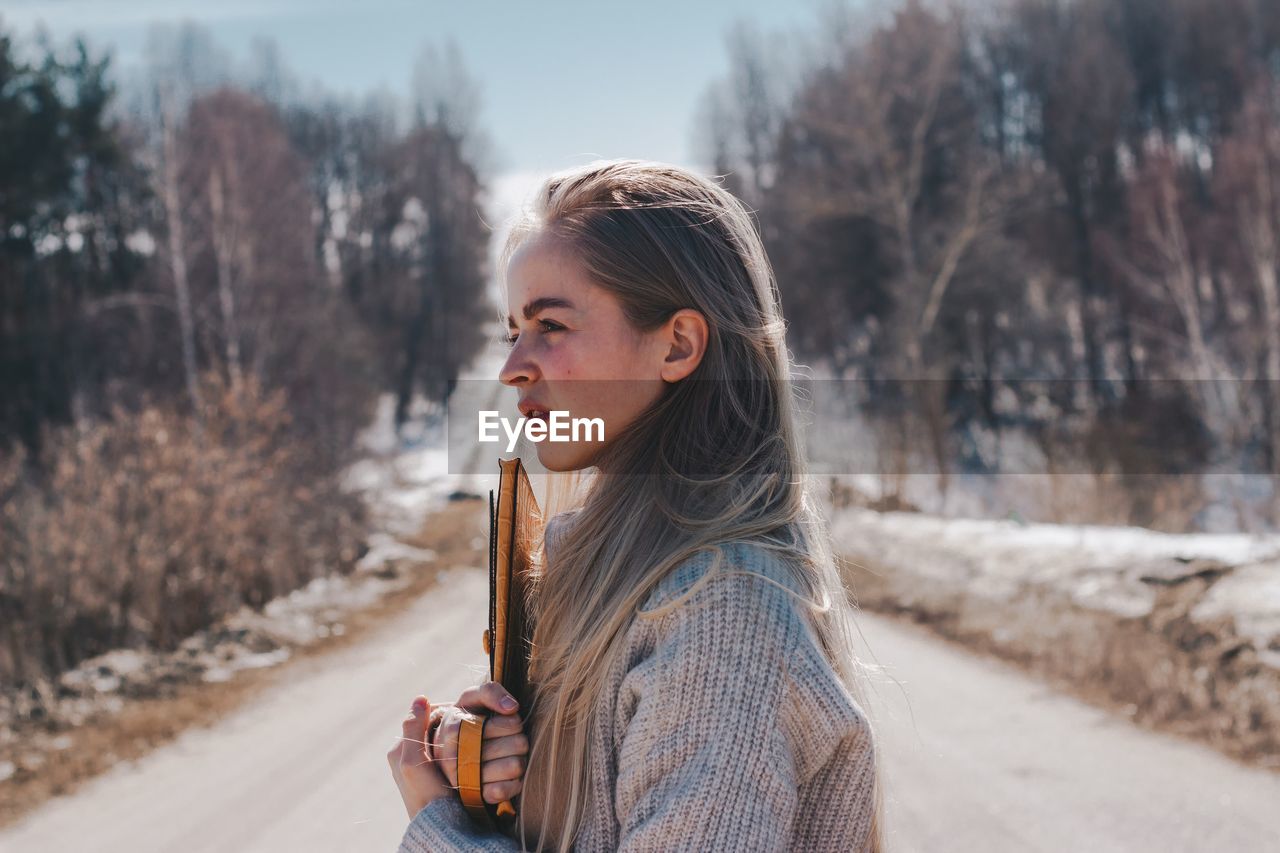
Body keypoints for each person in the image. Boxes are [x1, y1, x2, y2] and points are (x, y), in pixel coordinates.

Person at [386, 159, 885, 851]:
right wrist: (492, 785)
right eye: (512, 332)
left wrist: (434, 826)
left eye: (550, 326)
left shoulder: (719, 611)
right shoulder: (626, 589)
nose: (512, 367)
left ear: (677, 344)